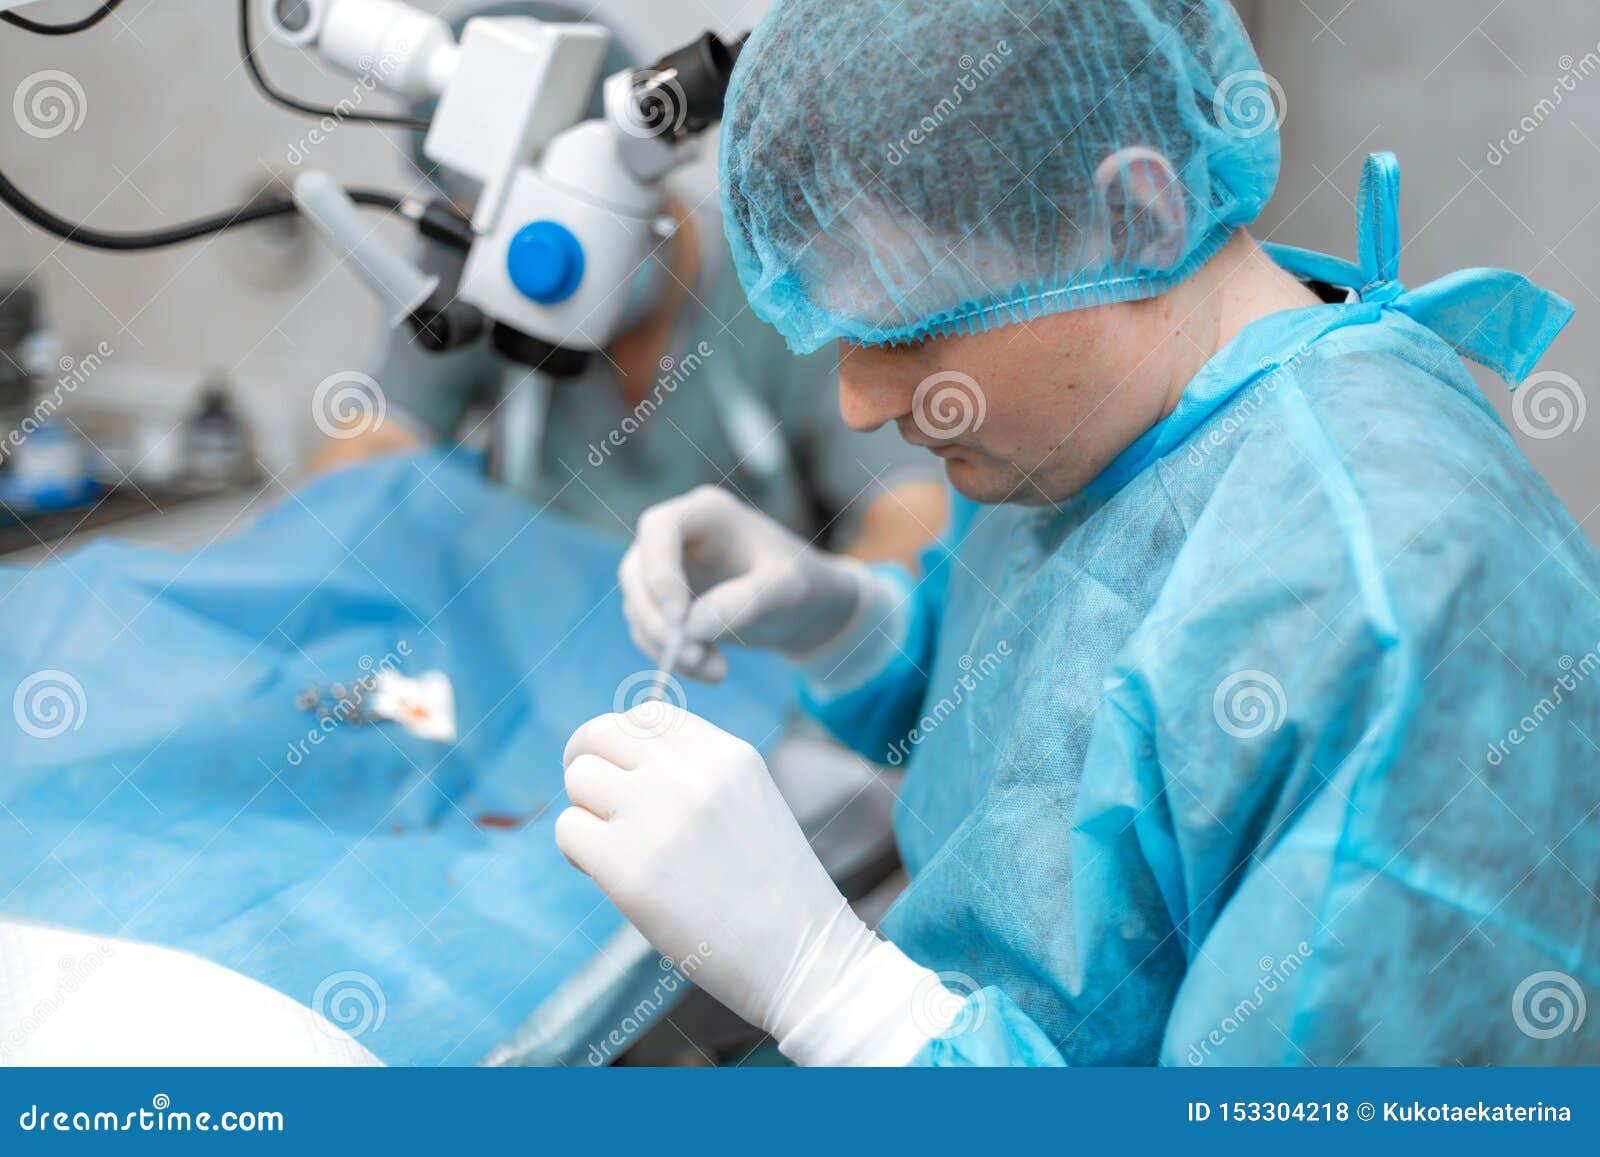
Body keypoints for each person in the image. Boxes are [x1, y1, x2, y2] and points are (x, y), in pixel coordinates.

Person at [558, 0, 1600, 1066]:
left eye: (906, 329)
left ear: (1135, 214)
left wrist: (836, 992)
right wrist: (855, 628)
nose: (860, 402)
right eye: (836, 331)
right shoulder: (1098, 411)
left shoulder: (1396, 614)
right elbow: (1053, 751)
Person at [308, 1, 946, 570]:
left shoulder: (780, 292)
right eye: (497, 240)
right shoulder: (473, 279)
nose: (533, 282)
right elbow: (371, 455)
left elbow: (913, 511)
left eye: (563, 228)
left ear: (649, 163)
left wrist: (826, 631)